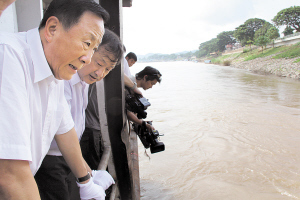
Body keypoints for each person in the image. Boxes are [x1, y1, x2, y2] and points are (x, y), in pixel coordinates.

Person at [0, 0, 110, 199]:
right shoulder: (8, 55)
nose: (88, 57)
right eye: (87, 43)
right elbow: (10, 173)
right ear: (52, 29)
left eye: (94, 49)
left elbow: (65, 129)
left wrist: (86, 181)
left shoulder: (56, 72)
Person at [34, 28, 123, 200]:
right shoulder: (64, 79)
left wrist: (88, 173)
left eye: (107, 69)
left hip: (69, 154)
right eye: (99, 63)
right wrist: (86, 179)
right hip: (50, 157)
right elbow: (61, 130)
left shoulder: (84, 81)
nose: (100, 73)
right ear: (88, 52)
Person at [125, 66, 162, 131]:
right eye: (152, 83)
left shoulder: (134, 88)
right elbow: (126, 112)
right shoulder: (128, 84)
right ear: (145, 77)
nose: (151, 87)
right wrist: (143, 123)